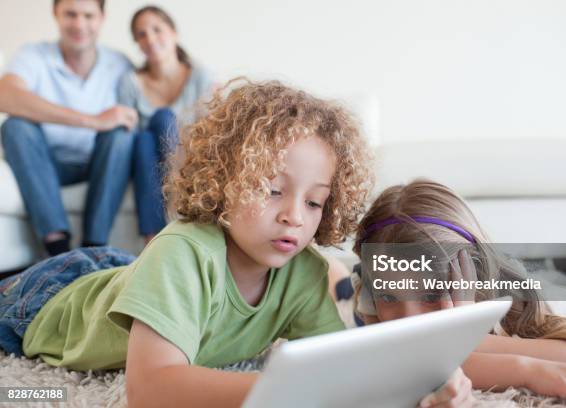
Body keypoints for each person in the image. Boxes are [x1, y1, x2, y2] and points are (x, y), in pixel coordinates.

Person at [0, 80, 471, 408]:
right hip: (50, 296)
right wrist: (288, 394)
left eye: (314, 203)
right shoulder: (184, 252)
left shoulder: (303, 273)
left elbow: (348, 369)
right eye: (272, 190)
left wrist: (423, 388)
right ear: (224, 181)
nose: (293, 214)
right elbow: (152, 392)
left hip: (132, 278)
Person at [351, 179, 566, 408]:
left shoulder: (508, 304)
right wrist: (525, 370)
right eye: (387, 297)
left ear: (472, 278)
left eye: (431, 295)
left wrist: (467, 333)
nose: (408, 320)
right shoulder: (370, 318)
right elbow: (405, 369)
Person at [0, 0, 137, 256]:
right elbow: (5, 95)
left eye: (88, 16)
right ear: (56, 14)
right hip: (45, 164)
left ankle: (93, 248)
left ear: (102, 18)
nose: (79, 24)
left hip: (99, 165)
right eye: (70, 14)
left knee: (121, 135)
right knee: (15, 126)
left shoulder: (120, 64)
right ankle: (58, 250)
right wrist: (92, 120)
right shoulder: (33, 55)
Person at [118, 5, 215, 243]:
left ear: (173, 33)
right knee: (143, 138)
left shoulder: (200, 75)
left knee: (162, 119)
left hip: (187, 159)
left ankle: (157, 230)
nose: (150, 39)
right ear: (137, 43)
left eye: (156, 30)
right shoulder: (130, 82)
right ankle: (156, 234)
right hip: (147, 166)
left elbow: (211, 130)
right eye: (141, 34)